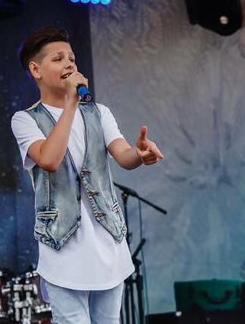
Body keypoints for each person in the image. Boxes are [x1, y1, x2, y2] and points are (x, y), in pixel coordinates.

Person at [10, 26, 164, 324]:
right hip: (62, 246)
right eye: (58, 59)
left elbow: (123, 155)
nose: (69, 64)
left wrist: (140, 154)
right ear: (36, 69)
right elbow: (49, 160)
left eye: (72, 58)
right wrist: (70, 103)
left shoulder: (99, 113)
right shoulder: (25, 120)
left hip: (107, 243)